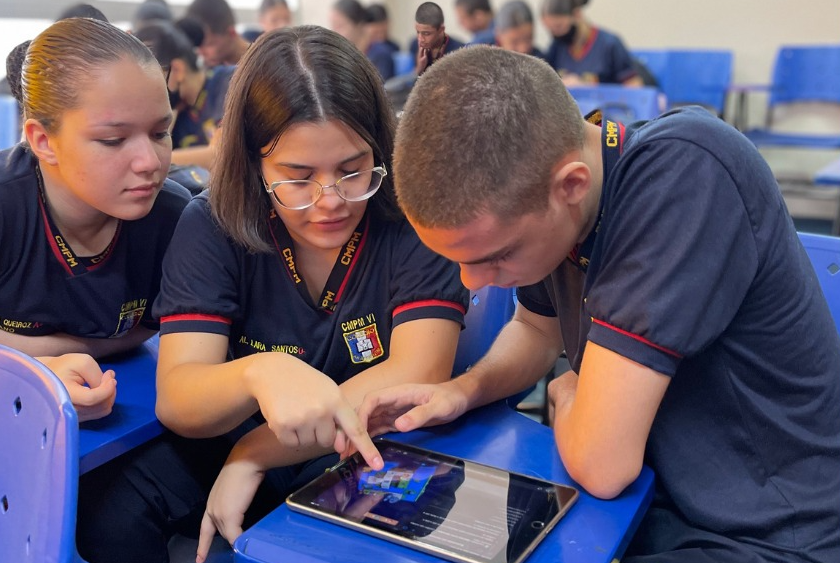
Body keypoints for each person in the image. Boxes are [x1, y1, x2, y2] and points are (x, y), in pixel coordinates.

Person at [355, 46, 840, 563]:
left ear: (571, 186)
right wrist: (462, 390)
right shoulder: (560, 208)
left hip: (772, 533)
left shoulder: (686, 174)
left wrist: (568, 394)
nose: (472, 284)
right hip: (657, 503)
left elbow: (602, 465)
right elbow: (536, 331)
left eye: (495, 257)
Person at [147, 25, 467, 562]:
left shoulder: (411, 215)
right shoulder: (212, 224)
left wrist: (255, 452)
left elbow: (417, 375)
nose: (330, 202)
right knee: (118, 513)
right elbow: (180, 397)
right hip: (237, 432)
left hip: (370, 445)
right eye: (297, 177)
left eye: (352, 170)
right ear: (254, 165)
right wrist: (260, 370)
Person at [0, 16, 188, 424]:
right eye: (113, 140)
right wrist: (39, 372)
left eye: (160, 133)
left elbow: (160, 332)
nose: (150, 162)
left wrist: (34, 350)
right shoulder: (7, 207)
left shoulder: (174, 217)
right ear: (43, 141)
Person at [135, 20, 234, 173]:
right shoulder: (179, 117)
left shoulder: (230, 82)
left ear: (178, 70)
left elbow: (223, 155)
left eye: (151, 79)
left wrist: (153, 161)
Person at [542, 0, 642, 87]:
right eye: (550, 29)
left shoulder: (609, 45)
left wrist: (585, 86)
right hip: (571, 107)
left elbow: (633, 86)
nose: (556, 34)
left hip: (604, 107)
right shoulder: (557, 47)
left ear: (576, 15)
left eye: (559, 26)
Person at [329, 0, 394, 81]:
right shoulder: (339, 58)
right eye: (333, 26)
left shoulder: (380, 55)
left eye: (340, 26)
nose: (335, 32)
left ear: (359, 24)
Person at [186, 0, 250, 67]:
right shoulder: (212, 69)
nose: (201, 53)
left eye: (208, 44)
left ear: (232, 33)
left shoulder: (258, 67)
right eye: (197, 46)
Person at [410, 2, 465, 77]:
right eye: (418, 32)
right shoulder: (414, 45)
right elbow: (410, 85)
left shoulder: (459, 50)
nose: (420, 39)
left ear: (441, 29)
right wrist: (419, 68)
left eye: (426, 33)